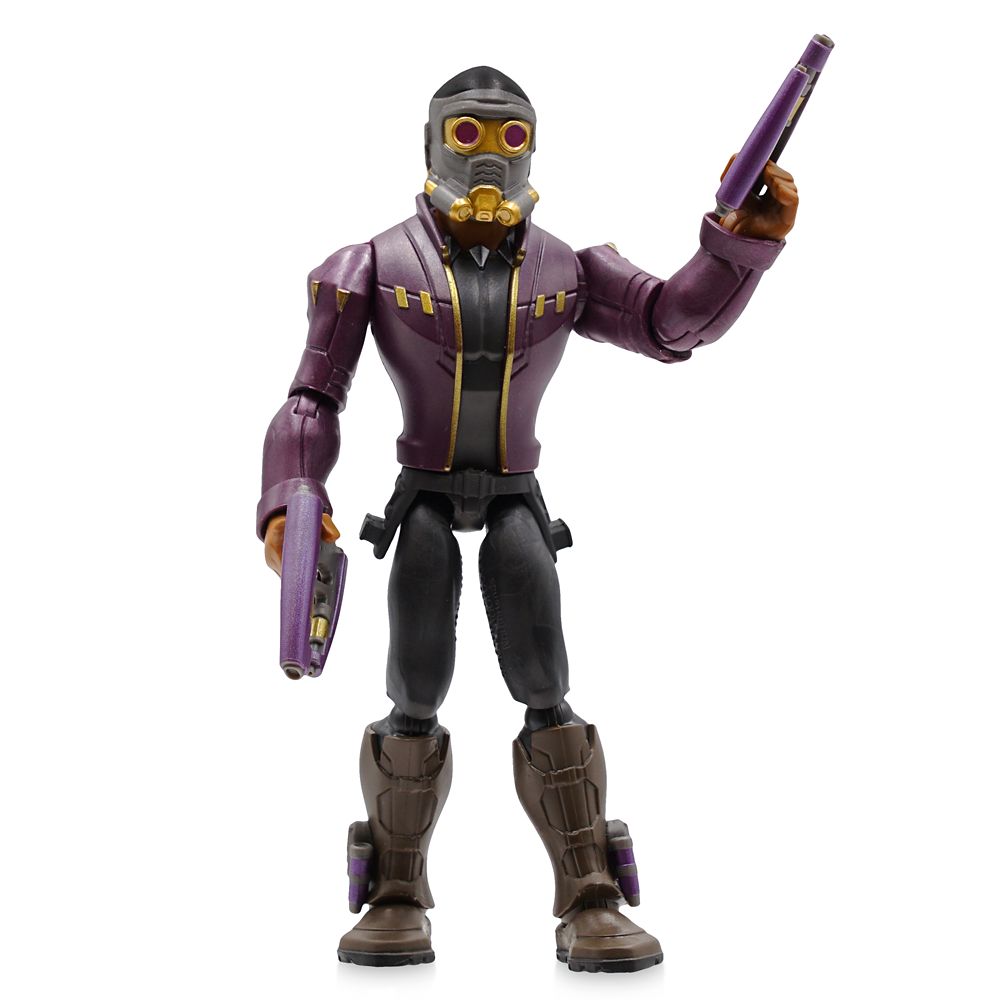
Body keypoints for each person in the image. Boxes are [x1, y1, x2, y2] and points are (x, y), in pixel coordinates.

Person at [257, 65, 797, 973]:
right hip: (423, 496)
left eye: (510, 137)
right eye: (466, 134)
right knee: (414, 684)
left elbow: (671, 323)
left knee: (546, 679)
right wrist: (292, 499)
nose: (489, 157)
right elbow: (313, 398)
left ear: (535, 148)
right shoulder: (373, 264)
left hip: (516, 498)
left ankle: (590, 894)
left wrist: (737, 243)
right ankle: (395, 892)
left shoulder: (567, 268)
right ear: (430, 142)